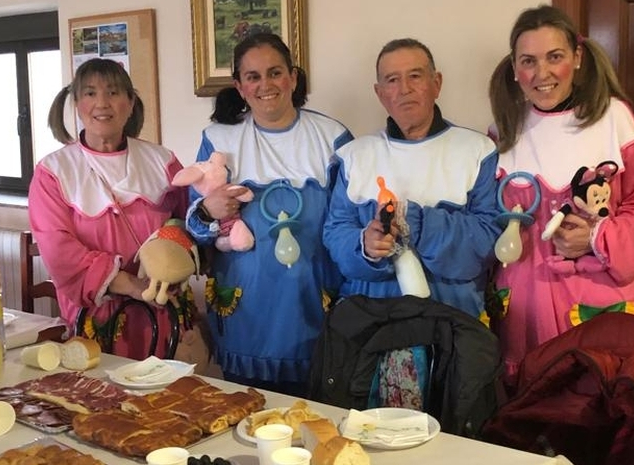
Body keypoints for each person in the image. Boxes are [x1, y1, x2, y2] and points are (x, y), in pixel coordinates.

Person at [488, 5, 634, 387]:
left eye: (555, 57)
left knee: (596, 407)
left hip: (597, 302)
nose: (542, 74)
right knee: (529, 418)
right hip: (524, 311)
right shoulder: (502, 131)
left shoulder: (614, 120)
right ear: (515, 69)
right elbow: (486, 217)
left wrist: (597, 239)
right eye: (528, 61)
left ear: (578, 57)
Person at [323, 38, 501, 410]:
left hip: (451, 330)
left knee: (449, 443)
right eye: (391, 80)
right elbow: (335, 232)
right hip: (372, 332)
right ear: (378, 92)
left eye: (415, 76)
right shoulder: (355, 156)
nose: (404, 89)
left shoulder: (477, 151)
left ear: (436, 83)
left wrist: (418, 224)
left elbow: (487, 240)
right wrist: (365, 246)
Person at [185, 33, 353, 396]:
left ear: (293, 77)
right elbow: (194, 226)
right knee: (250, 423)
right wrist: (207, 210)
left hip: (315, 308)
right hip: (247, 312)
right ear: (239, 87)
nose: (266, 85)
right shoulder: (219, 139)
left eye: (275, 73)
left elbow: (349, 224)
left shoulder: (333, 137)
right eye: (253, 76)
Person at [28, 58, 190, 360]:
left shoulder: (162, 161)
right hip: (95, 322)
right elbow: (59, 251)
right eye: (90, 93)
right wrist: (129, 284)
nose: (102, 103)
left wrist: (172, 270)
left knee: (164, 401)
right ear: (77, 104)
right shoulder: (53, 171)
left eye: (113, 92)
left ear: (130, 102)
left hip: (161, 312)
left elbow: (185, 225)